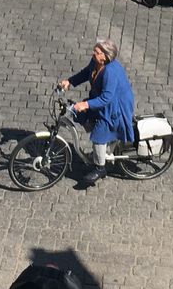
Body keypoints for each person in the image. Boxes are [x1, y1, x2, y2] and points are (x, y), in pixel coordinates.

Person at [57, 40, 136, 185]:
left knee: (99, 135)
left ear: (105, 56)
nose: (93, 53)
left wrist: (86, 104)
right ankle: (105, 145)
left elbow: (106, 98)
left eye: (97, 52)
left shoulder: (110, 72)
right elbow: (85, 73)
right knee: (80, 115)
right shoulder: (95, 62)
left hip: (115, 107)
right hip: (102, 101)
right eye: (94, 50)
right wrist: (70, 82)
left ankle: (100, 168)